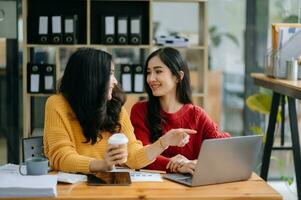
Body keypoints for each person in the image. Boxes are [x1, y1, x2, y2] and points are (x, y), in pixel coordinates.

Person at [43, 48, 196, 174]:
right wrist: (102, 165)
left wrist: (164, 142)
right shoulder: (57, 104)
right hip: (71, 190)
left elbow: (133, 155)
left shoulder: (115, 106)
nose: (115, 81)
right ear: (92, 77)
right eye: (110, 73)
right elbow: (61, 156)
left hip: (110, 187)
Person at [130, 47, 231, 174]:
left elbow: (222, 148)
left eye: (158, 71)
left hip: (189, 190)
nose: (150, 78)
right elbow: (140, 155)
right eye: (148, 72)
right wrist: (177, 165)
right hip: (151, 189)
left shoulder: (196, 115)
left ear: (178, 77)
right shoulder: (140, 110)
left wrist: (196, 162)